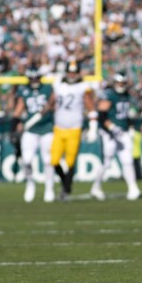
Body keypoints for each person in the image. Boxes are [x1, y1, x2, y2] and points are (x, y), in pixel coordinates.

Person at [89, 72, 142, 201]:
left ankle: (133, 188)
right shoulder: (109, 95)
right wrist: (112, 127)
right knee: (106, 163)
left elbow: (127, 115)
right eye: (119, 83)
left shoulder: (126, 95)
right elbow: (101, 115)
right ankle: (96, 187)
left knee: (127, 161)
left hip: (123, 132)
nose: (121, 85)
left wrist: (129, 127)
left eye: (123, 83)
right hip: (109, 133)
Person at [48, 59, 94, 201]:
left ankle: (66, 190)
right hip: (59, 128)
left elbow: (90, 105)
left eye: (74, 72)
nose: (72, 75)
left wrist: (93, 126)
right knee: (54, 160)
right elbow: (51, 102)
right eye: (70, 72)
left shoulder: (83, 86)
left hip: (74, 128)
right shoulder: (58, 85)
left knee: (70, 162)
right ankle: (65, 183)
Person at [13, 67, 55, 203]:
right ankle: (30, 184)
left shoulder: (48, 88)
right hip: (30, 129)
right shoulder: (24, 90)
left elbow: (53, 104)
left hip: (46, 127)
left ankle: (49, 188)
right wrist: (17, 122)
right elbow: (18, 109)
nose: (34, 81)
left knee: (48, 161)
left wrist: (44, 112)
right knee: (27, 160)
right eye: (32, 78)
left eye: (36, 78)